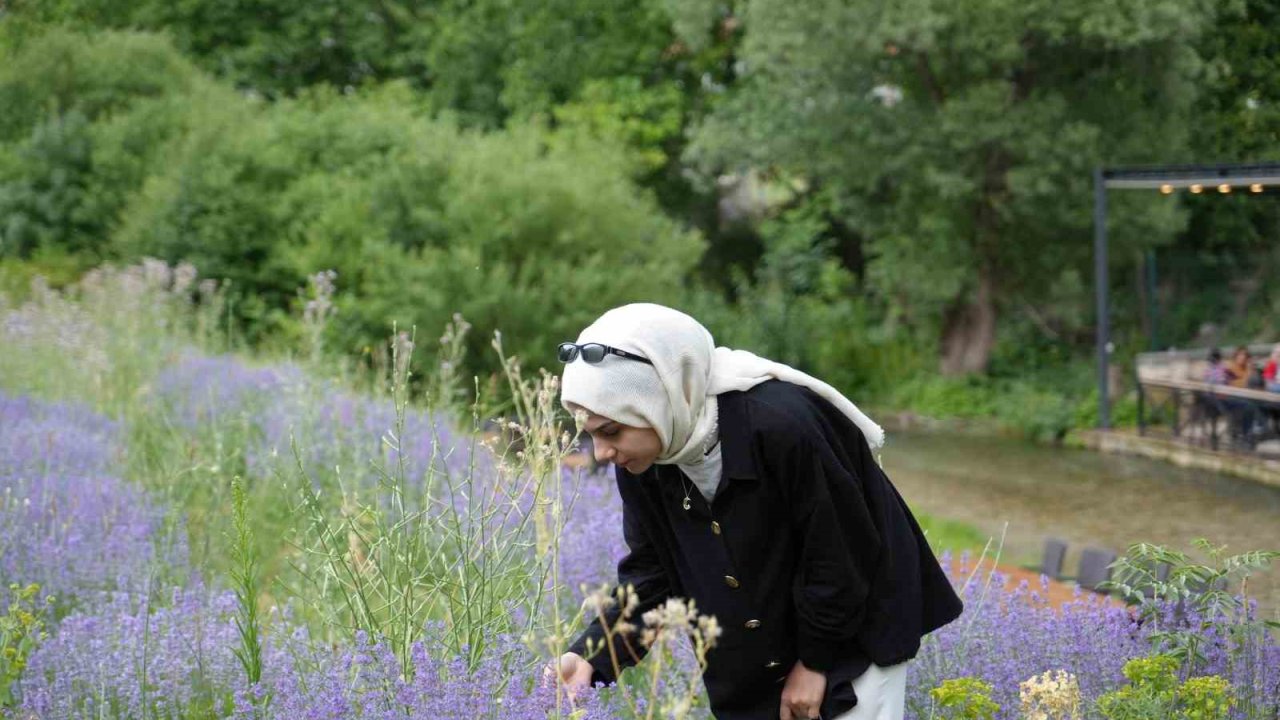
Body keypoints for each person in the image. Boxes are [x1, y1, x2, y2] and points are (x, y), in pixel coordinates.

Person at [551, 304, 963, 720]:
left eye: (610, 432)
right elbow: (652, 572)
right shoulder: (648, 456)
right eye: (590, 434)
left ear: (658, 400)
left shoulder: (782, 424)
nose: (601, 453)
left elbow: (841, 552)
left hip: (854, 638)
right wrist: (593, 655)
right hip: (754, 661)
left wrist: (815, 661)